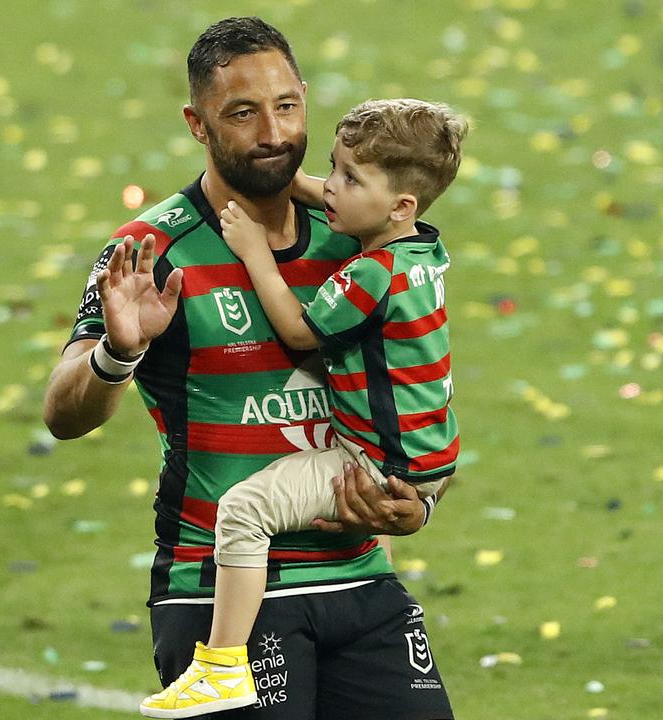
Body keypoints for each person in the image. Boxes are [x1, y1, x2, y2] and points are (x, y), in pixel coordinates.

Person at [43, 17, 454, 720]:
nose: (273, 132)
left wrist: (417, 501)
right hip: (216, 594)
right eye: (242, 112)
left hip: (359, 578)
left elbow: (416, 387)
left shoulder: (358, 233)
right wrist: (120, 351)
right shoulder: (151, 249)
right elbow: (62, 411)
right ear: (198, 125)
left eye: (287, 106)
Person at [147, 98, 466, 718]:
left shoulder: (370, 273)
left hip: (372, 465)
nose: (329, 191)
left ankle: (219, 665)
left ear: (399, 206)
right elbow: (360, 196)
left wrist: (253, 250)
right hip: (431, 460)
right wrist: (287, 175)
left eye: (349, 179)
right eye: (333, 169)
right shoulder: (424, 249)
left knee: (243, 509)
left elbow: (298, 332)